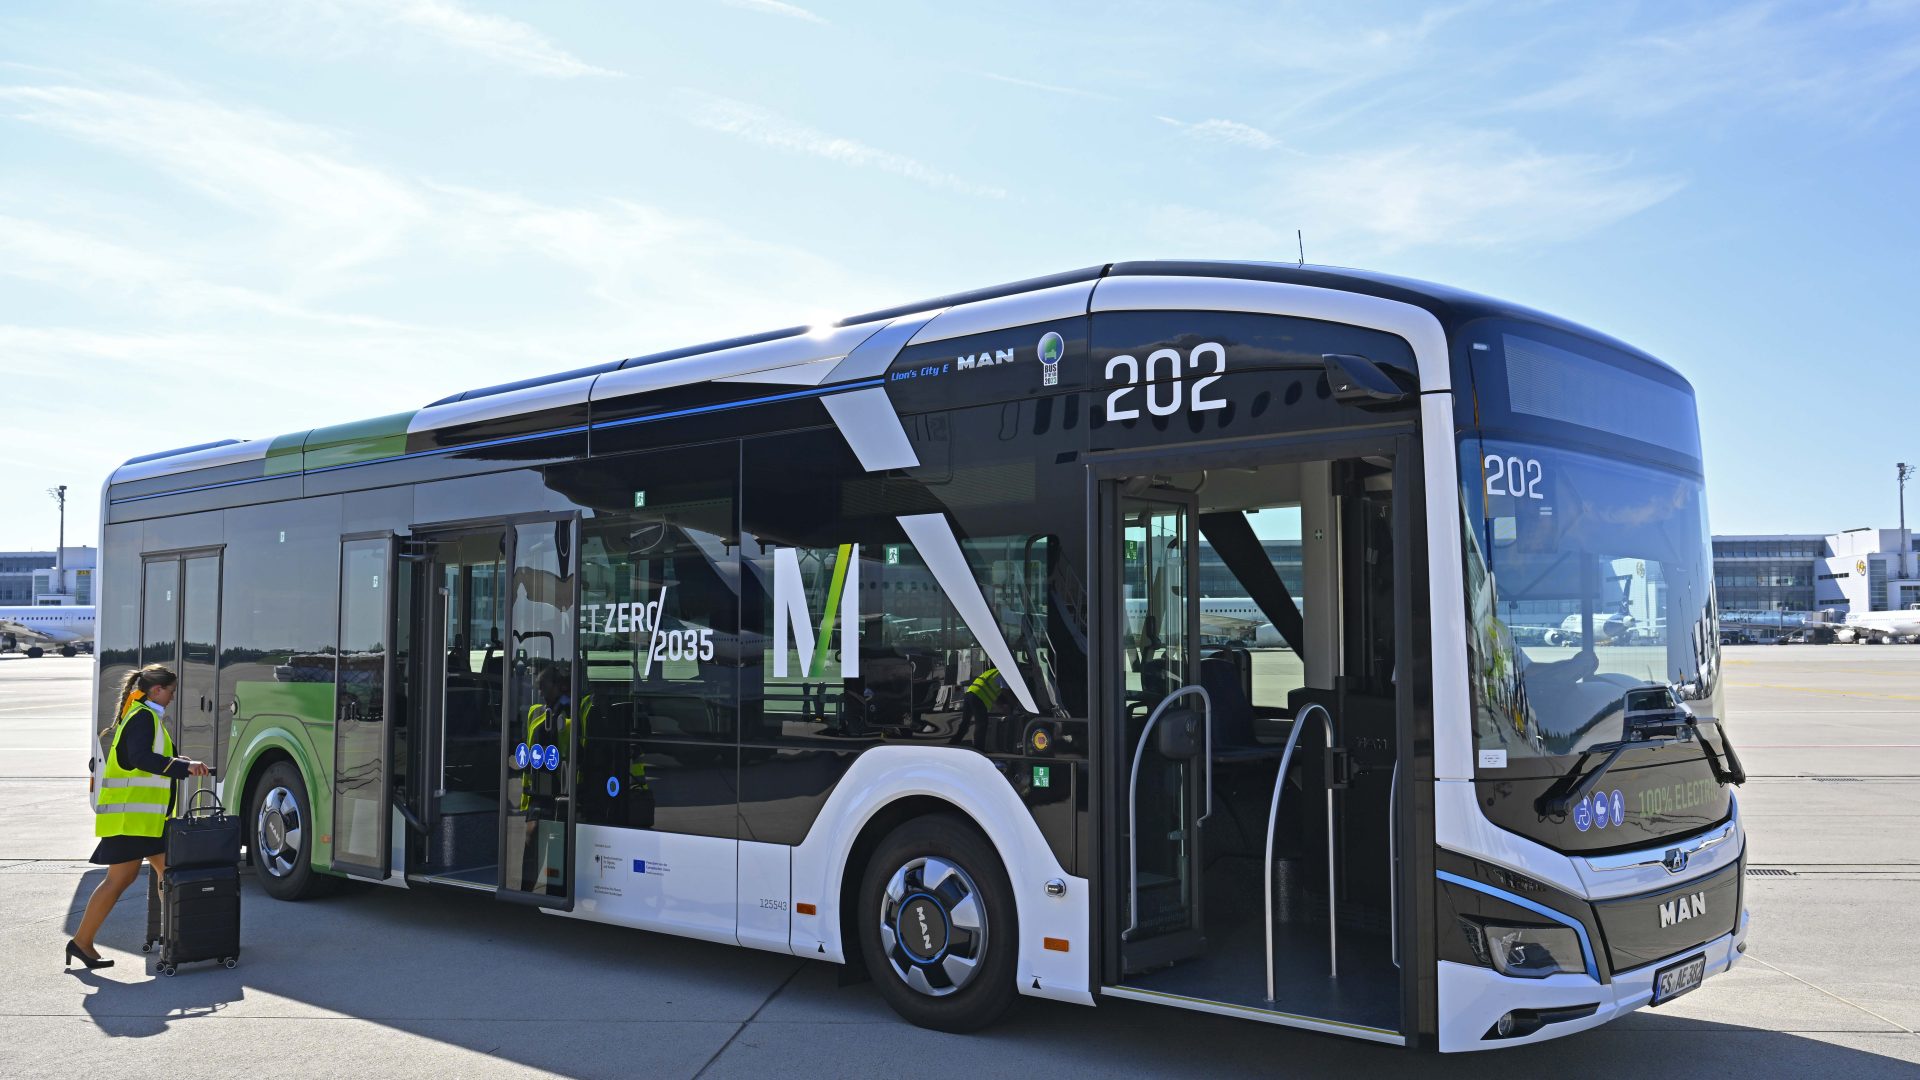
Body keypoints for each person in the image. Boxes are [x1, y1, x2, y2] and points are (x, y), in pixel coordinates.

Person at [69, 663, 210, 969]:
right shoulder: (143, 718)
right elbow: (140, 759)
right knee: (120, 880)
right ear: (156, 690)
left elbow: (149, 757)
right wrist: (182, 767)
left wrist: (182, 762)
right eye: (170, 691)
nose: (173, 697)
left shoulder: (146, 717)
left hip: (146, 820)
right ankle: (81, 942)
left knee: (168, 872)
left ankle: (176, 939)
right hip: (131, 819)